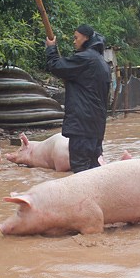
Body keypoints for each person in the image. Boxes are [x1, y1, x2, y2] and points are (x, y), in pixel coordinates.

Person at [45, 24, 111, 172]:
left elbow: (55, 65)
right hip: (96, 127)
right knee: (95, 169)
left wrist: (51, 48)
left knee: (81, 170)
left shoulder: (86, 59)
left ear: (86, 38)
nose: (74, 41)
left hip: (82, 126)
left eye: (76, 38)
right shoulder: (101, 62)